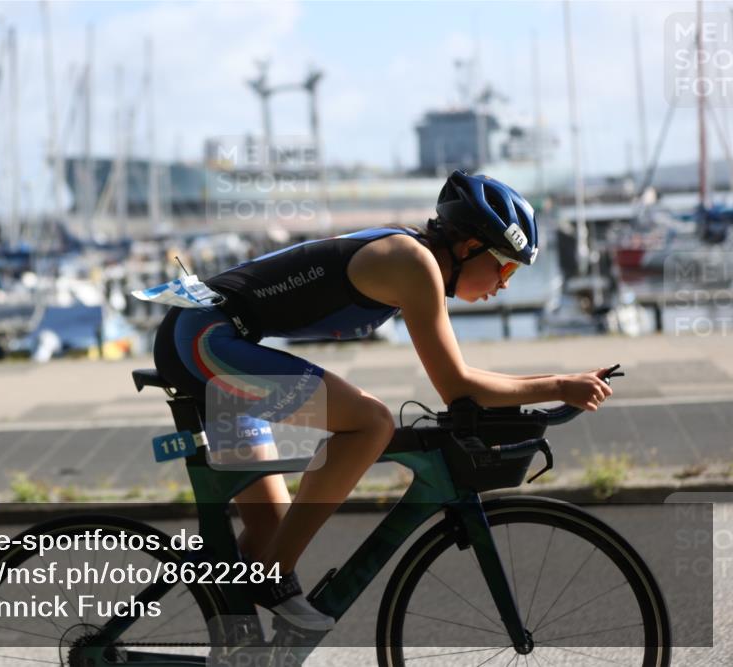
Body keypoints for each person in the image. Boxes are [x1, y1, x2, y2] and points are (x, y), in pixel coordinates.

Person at [151, 170, 614, 631]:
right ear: (469, 246)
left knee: (268, 538)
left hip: (207, 338)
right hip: (203, 341)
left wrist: (558, 382)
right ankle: (274, 583)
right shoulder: (412, 263)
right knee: (371, 423)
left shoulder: (413, 258)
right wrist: (557, 385)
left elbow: (462, 381)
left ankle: (230, 637)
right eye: (505, 266)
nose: (506, 283)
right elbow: (458, 387)